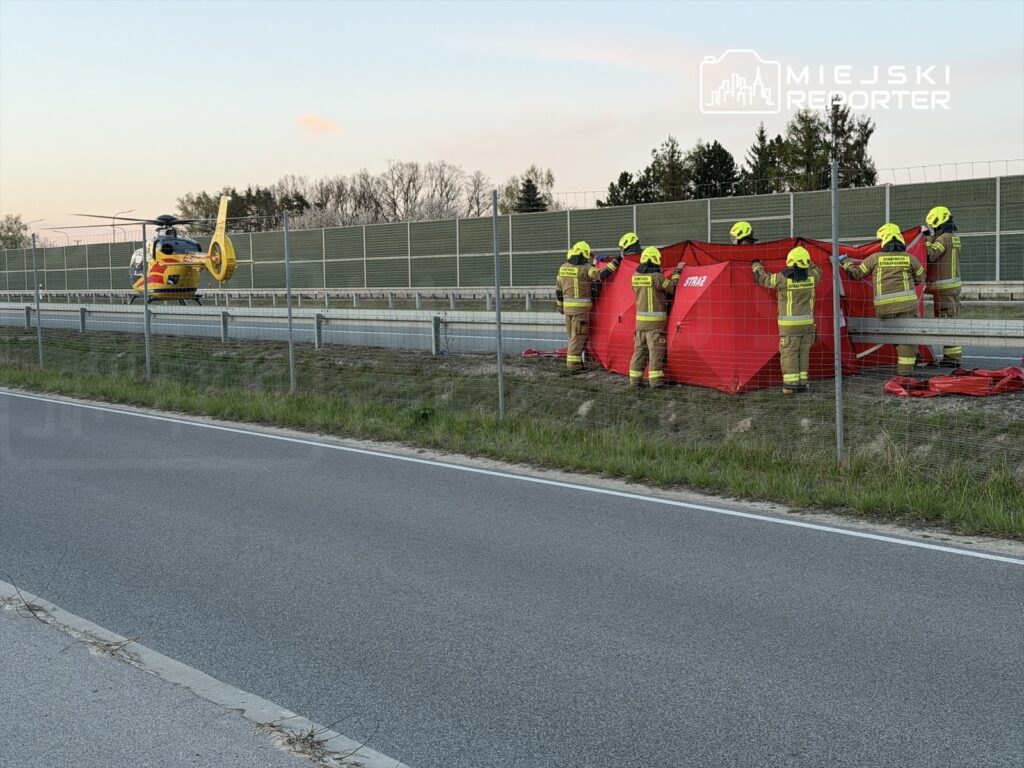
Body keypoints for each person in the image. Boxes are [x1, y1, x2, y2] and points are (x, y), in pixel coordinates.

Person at [839, 223, 926, 375]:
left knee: (896, 334)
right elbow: (921, 277)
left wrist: (845, 262)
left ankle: (912, 354)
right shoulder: (909, 258)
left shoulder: (875, 258)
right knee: (908, 336)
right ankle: (905, 373)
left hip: (884, 309)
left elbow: (857, 274)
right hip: (907, 307)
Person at [752, 246, 821, 394]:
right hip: (808, 325)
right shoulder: (813, 276)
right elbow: (817, 269)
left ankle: (790, 386)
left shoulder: (782, 278)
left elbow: (762, 279)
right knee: (803, 353)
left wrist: (757, 266)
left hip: (789, 327)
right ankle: (802, 383)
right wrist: (808, 261)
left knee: (789, 354)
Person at [555, 240, 621, 372]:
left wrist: (560, 307)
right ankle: (574, 367)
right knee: (579, 337)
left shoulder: (563, 268)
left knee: (573, 338)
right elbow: (602, 275)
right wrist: (616, 261)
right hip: (581, 311)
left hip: (568, 310)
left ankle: (577, 363)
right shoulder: (586, 269)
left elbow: (558, 291)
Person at [629, 246, 682, 388]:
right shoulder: (657, 277)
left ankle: (635, 381)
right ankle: (657, 383)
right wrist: (677, 273)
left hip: (639, 324)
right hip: (655, 325)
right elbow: (672, 288)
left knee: (639, 352)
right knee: (656, 352)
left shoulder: (635, 276)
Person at [924, 205, 963, 367]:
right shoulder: (953, 237)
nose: (933, 229)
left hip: (944, 289)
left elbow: (931, 254)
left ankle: (952, 359)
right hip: (950, 287)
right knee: (950, 321)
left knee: (947, 323)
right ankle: (951, 357)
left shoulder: (944, 238)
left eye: (933, 226)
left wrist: (926, 239)